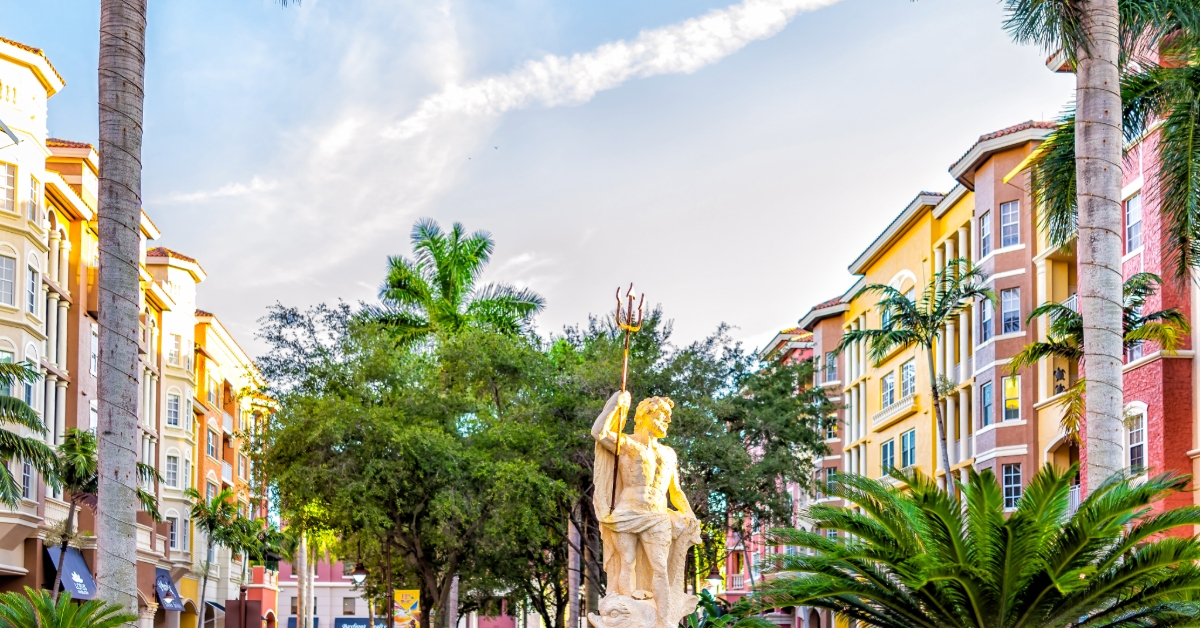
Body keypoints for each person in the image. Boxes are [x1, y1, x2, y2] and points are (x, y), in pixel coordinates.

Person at [591, 390, 700, 628]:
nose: (667, 421)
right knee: (626, 562)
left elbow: (676, 491)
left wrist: (689, 514)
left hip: (658, 516)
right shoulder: (628, 444)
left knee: (659, 567)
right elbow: (598, 432)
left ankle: (663, 621)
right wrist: (614, 405)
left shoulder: (669, 454)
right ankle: (628, 611)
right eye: (662, 415)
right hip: (627, 513)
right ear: (645, 416)